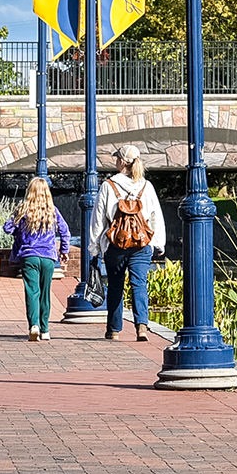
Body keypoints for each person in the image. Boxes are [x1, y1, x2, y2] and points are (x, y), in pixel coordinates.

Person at [89, 145, 166, 342]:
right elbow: (155, 215)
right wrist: (158, 243)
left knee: (115, 285)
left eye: (117, 158)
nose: (115, 161)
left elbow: (98, 220)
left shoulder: (108, 186)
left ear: (122, 162)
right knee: (139, 284)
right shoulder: (146, 186)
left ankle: (113, 329)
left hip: (116, 244)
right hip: (141, 244)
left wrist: (95, 248)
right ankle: (142, 327)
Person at [3, 177, 70, 341]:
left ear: (29, 192)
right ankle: (45, 329)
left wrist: (19, 228)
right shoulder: (52, 211)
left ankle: (34, 325)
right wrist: (64, 250)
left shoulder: (23, 210)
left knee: (32, 291)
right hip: (48, 257)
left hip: (29, 256)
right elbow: (65, 231)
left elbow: (7, 228)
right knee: (45, 293)